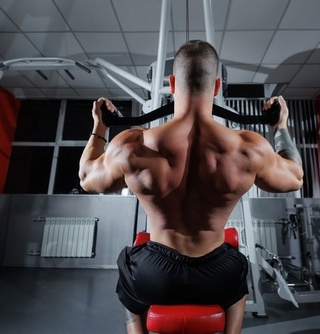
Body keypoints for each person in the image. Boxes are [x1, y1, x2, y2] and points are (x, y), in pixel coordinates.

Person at [79, 40, 303, 334]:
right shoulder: (248, 147)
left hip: (155, 276)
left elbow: (87, 179)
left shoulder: (134, 143)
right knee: (239, 269)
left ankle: (136, 329)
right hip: (217, 276)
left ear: (171, 83)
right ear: (217, 86)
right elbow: (295, 177)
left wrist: (100, 127)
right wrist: (280, 127)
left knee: (128, 265)